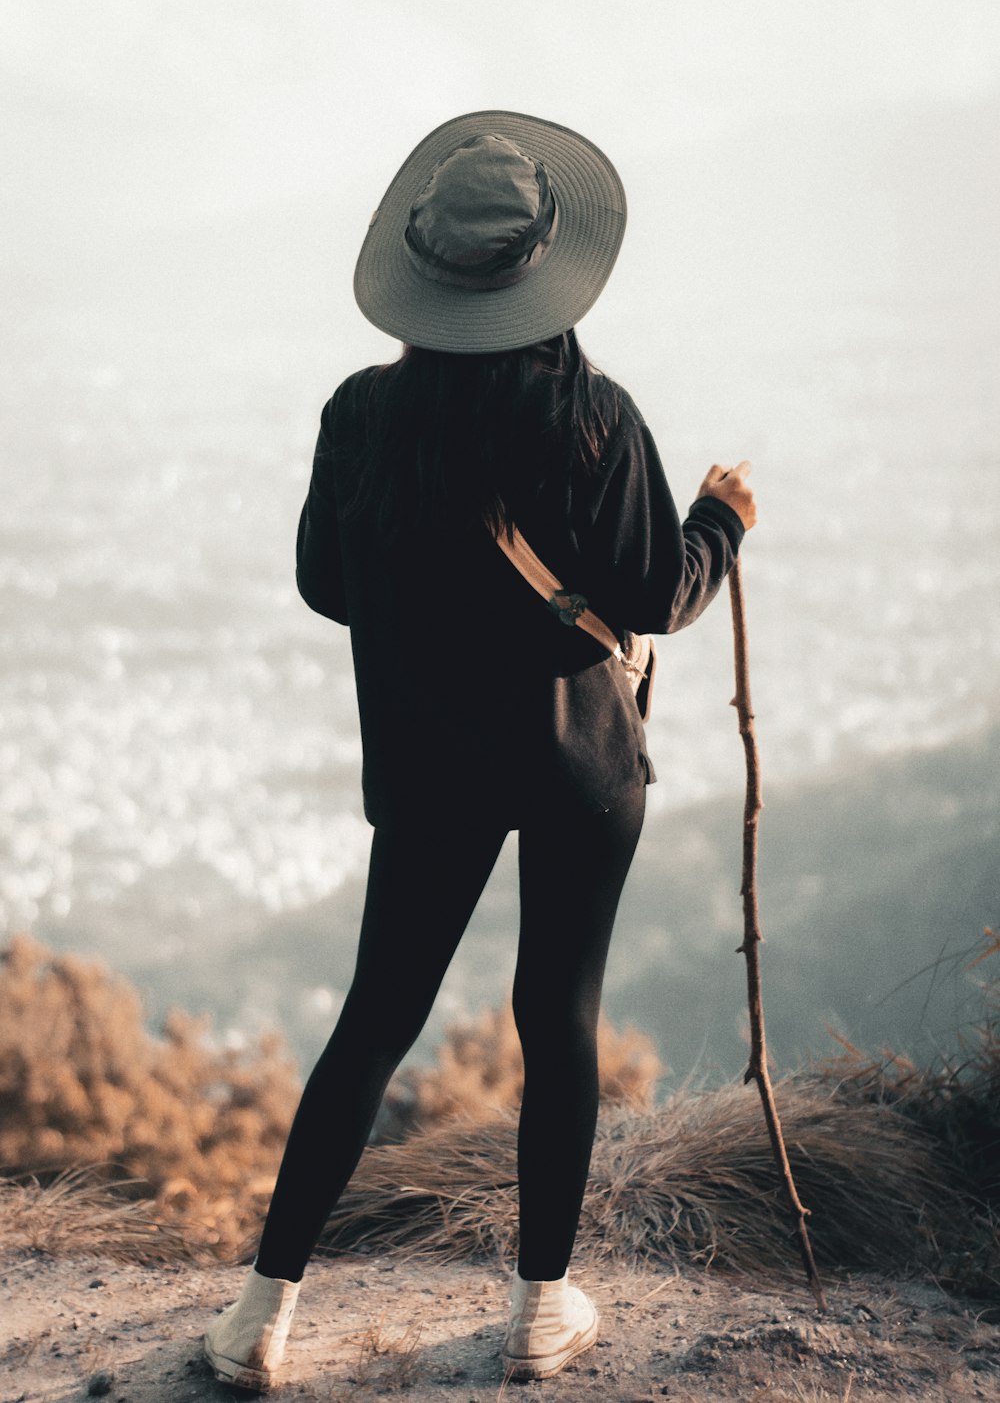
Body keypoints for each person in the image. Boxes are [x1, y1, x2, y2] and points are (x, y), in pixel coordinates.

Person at [204, 111, 756, 1389]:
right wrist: (720, 524)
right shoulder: (595, 421)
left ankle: (258, 1320)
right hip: (578, 765)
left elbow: (324, 584)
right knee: (554, 1017)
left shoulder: (360, 417)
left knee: (372, 1022)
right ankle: (539, 1312)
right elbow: (654, 593)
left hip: (429, 763)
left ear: (420, 279)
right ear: (543, 270)